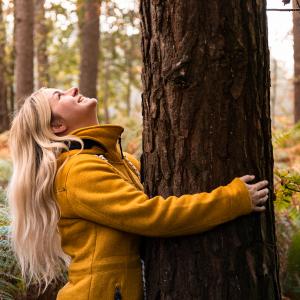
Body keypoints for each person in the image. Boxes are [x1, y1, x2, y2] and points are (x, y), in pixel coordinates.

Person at [8, 87, 269, 300]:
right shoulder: (78, 171)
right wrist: (232, 200)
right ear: (57, 126)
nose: (73, 89)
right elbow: (152, 215)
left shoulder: (118, 161)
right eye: (60, 96)